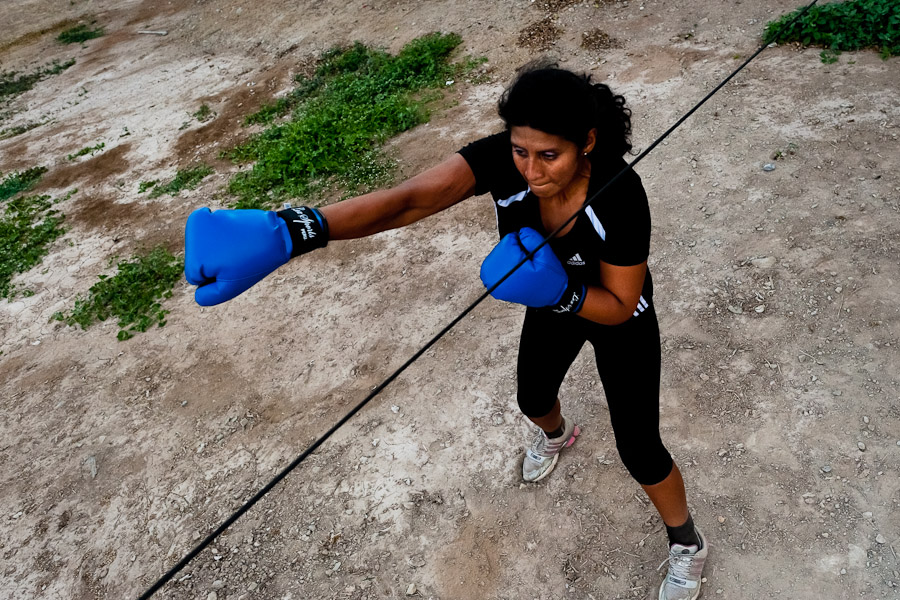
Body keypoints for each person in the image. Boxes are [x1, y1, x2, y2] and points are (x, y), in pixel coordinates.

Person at [185, 65, 708, 600]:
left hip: (614, 314)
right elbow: (409, 199)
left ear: (587, 142)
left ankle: (687, 543)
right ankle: (557, 435)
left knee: (639, 448)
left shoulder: (620, 192)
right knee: (532, 396)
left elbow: (621, 304)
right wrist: (299, 229)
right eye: (521, 151)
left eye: (549, 155)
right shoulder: (500, 161)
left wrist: (560, 293)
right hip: (550, 298)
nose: (531, 170)